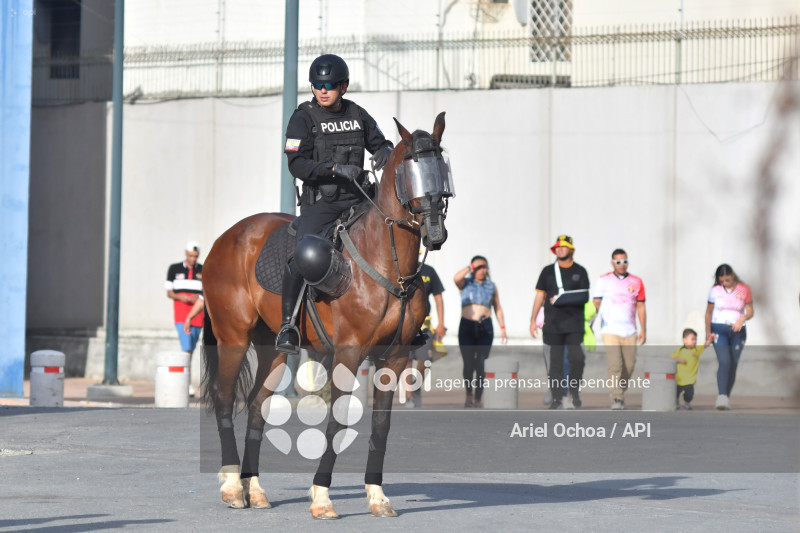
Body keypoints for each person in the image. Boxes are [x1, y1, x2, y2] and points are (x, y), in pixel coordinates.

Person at [276, 54, 394, 354]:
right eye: (317, 85)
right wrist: (333, 169)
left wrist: (385, 152)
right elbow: (296, 164)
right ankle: (288, 325)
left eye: (329, 85)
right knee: (302, 255)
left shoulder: (357, 114)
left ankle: (402, 321)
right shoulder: (302, 117)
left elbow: (381, 144)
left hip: (360, 199)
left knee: (394, 237)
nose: (322, 91)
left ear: (343, 86)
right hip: (322, 204)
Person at [529, 235, 590, 410]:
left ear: (571, 249)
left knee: (577, 359)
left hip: (574, 325)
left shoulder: (580, 271)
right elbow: (540, 296)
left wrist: (563, 299)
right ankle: (557, 398)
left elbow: (584, 296)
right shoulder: (547, 271)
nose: (560, 249)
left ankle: (574, 392)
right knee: (554, 364)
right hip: (553, 325)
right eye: (557, 247)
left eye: (563, 246)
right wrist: (532, 320)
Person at [592, 248, 647, 410]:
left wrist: (644, 329)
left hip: (630, 330)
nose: (621, 265)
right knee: (615, 364)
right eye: (618, 262)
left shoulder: (636, 281)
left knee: (629, 366)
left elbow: (641, 306)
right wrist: (587, 322)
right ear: (612, 263)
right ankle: (617, 397)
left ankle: (619, 390)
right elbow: (596, 303)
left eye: (624, 261)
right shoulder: (603, 280)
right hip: (610, 329)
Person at [454, 255, 508, 408]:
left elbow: (497, 307)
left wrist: (503, 328)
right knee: (468, 364)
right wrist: (469, 267)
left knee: (481, 364)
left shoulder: (491, 286)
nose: (482, 270)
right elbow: (456, 278)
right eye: (478, 267)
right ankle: (469, 394)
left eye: (484, 267)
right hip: (467, 326)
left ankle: (478, 398)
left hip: (485, 326)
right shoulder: (466, 283)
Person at [705, 264, 754, 410]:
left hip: (738, 331)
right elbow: (708, 313)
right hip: (719, 329)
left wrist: (742, 319)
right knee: (724, 361)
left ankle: (726, 396)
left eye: (727, 279)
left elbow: (750, 311)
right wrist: (707, 333)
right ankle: (721, 396)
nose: (725, 283)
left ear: (732, 275)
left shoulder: (744, 289)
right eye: (722, 281)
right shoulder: (715, 291)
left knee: (733, 364)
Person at [403, 261, 446, 409]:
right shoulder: (401, 269)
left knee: (425, 362)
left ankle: (415, 387)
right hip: (405, 324)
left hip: (425, 325)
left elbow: (438, 298)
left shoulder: (429, 271)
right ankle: (410, 398)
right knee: (406, 362)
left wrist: (441, 323)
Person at [165, 241, 204, 396]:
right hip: (181, 314)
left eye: (195, 256)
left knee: (191, 348)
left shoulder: (202, 270)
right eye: (190, 256)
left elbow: (204, 292)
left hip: (198, 313)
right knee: (187, 348)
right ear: (185, 254)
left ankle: (185, 380)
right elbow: (169, 292)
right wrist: (181, 297)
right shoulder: (174, 269)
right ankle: (186, 383)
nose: (193, 259)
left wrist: (197, 297)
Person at [670, 328, 714, 410]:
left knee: (689, 393)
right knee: (676, 392)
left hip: (690, 379)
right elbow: (672, 357)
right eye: (692, 339)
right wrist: (680, 360)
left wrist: (710, 339)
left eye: (695, 339)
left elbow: (705, 345)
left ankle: (687, 402)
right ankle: (675, 401)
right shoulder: (680, 350)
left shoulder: (696, 350)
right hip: (679, 378)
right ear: (685, 340)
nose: (694, 341)